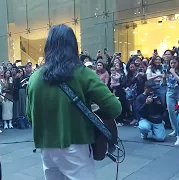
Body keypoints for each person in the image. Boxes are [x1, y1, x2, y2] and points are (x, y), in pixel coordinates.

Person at [26, 24, 122, 180]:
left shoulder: (34, 78)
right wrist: (91, 111)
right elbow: (114, 108)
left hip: (45, 146)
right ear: (73, 46)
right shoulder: (83, 73)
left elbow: (30, 116)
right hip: (76, 144)